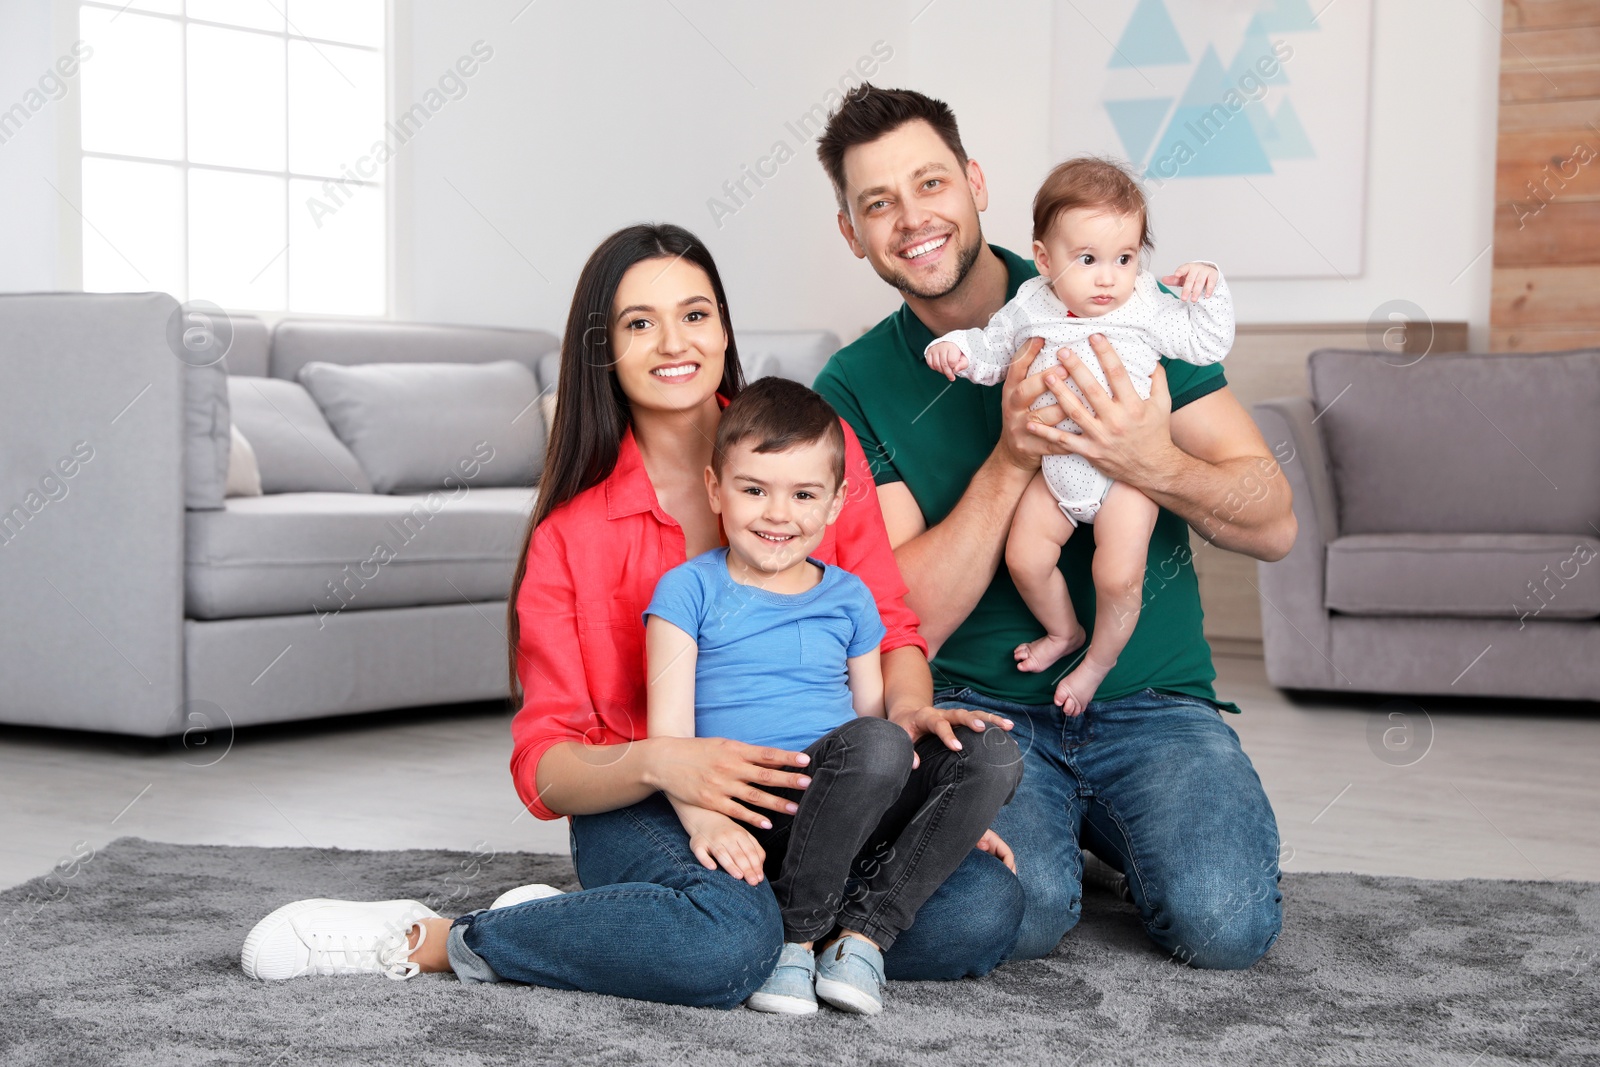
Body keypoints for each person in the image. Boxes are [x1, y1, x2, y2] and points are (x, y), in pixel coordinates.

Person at [239, 223, 1024, 1007]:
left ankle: (664, 929)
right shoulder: (570, 535)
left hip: (814, 789)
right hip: (646, 804)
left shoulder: (811, 452)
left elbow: (889, 625)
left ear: (723, 329)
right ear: (602, 348)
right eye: (639, 323)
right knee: (729, 942)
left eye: (695, 314)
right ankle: (449, 936)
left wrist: (924, 807)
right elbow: (544, 764)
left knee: (983, 906)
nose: (673, 341)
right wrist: (663, 762)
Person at [811, 86, 1296, 969]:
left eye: (930, 184)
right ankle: (1067, 829)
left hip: (1153, 701)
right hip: (989, 716)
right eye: (877, 203)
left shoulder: (1123, 299)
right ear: (851, 231)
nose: (912, 219)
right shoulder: (853, 385)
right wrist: (1010, 457)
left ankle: (1118, 830)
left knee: (1224, 921)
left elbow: (1273, 523)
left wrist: (1146, 458)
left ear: (976, 182)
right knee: (1016, 914)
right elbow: (897, 612)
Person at [644, 377, 1021, 1016]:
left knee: (992, 753)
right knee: (877, 746)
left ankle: (863, 937)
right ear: (716, 489)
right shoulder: (686, 592)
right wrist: (702, 817)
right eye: (754, 489)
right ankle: (794, 939)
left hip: (852, 799)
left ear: (837, 502)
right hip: (760, 803)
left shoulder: (850, 597)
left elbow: (877, 727)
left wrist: (945, 812)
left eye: (803, 495)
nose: (777, 514)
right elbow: (670, 737)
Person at [923, 156, 1234, 714]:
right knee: (1024, 559)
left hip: (1125, 476)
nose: (1108, 276)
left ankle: (1097, 663)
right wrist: (954, 351)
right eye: (1087, 259)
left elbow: (1205, 343)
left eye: (1125, 257)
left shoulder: (1145, 304)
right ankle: (1063, 633)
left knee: (1117, 576)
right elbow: (992, 351)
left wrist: (1209, 290)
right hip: (1056, 470)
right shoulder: (1030, 305)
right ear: (1044, 258)